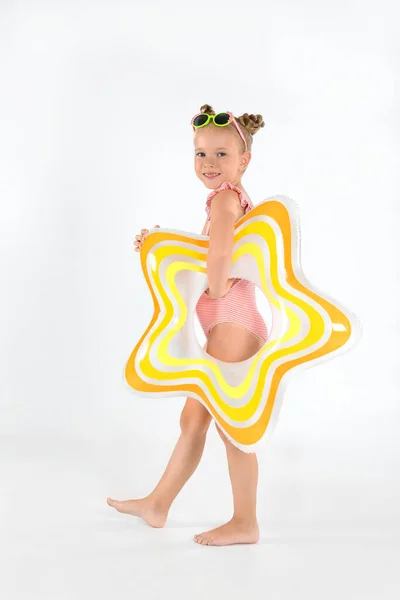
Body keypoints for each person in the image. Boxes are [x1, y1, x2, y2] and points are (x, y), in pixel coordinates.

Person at [107, 104, 268, 546]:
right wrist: (158, 246)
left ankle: (245, 522)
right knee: (193, 419)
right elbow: (205, 252)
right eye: (201, 154)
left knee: (234, 424)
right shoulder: (230, 201)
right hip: (226, 327)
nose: (209, 164)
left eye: (221, 154)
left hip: (233, 324)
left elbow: (217, 257)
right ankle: (158, 503)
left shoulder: (224, 200)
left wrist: (214, 288)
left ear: (244, 160)